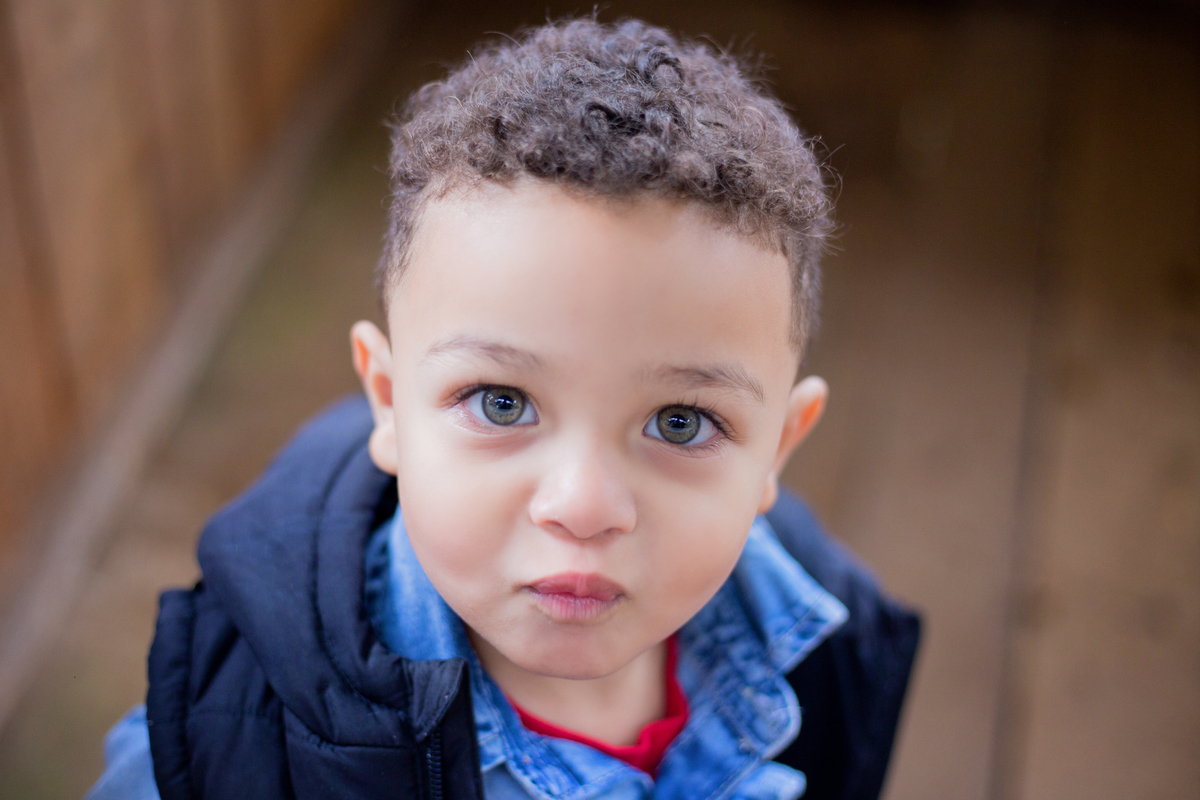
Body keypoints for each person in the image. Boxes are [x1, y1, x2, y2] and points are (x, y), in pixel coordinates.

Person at [86, 17, 918, 800]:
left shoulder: (826, 646)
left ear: (777, 447)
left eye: (680, 422)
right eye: (502, 401)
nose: (584, 507)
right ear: (387, 401)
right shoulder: (212, 758)